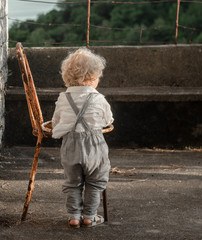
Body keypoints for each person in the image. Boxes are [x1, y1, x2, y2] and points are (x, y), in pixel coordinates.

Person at [52, 47, 114, 228]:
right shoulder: (99, 98)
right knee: (95, 182)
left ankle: (73, 216)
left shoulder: (63, 98)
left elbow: (56, 121)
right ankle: (90, 216)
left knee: (72, 182)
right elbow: (108, 120)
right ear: (94, 78)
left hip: (71, 144)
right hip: (95, 144)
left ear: (67, 77)